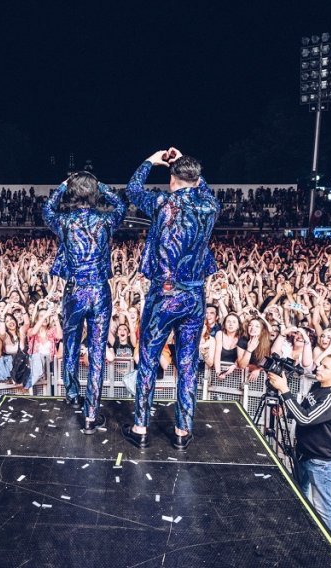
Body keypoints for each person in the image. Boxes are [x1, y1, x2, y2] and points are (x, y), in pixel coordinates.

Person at [122, 149, 218, 450]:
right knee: (187, 363)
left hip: (163, 295)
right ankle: (182, 431)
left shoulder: (163, 202)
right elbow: (202, 187)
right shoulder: (210, 206)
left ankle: (140, 428)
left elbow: (132, 190)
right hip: (193, 296)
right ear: (197, 179)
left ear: (172, 178)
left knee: (149, 360)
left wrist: (151, 160)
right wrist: (193, 173)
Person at [44, 171, 126, 433]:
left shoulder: (64, 222)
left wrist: (63, 185)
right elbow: (121, 205)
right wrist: (99, 184)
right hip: (100, 292)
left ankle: (72, 394)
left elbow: (47, 208)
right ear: (93, 194)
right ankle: (91, 414)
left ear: (72, 193)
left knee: (70, 342)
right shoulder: (106, 220)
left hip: (75, 291)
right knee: (97, 351)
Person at [267, 355, 331, 541]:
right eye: (320, 364)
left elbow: (305, 419)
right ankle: (301, 533)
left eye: (325, 367)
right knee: (299, 495)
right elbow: (303, 409)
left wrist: (285, 390)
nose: (319, 368)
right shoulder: (318, 386)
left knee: (323, 506)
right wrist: (286, 410)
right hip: (303, 452)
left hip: (321, 460)